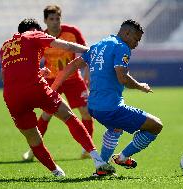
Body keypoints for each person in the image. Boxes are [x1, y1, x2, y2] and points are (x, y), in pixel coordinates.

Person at [0, 18, 115, 177]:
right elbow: (66, 45)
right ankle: (98, 161)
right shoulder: (34, 35)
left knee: (33, 138)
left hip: (11, 96)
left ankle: (56, 172)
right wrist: (90, 51)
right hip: (35, 88)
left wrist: (38, 73)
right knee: (68, 116)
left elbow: (9, 74)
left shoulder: (5, 46)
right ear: (34, 29)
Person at [51, 19, 163, 174]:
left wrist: (54, 87)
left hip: (93, 107)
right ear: (127, 33)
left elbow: (73, 65)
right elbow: (122, 78)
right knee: (155, 126)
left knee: (115, 128)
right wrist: (140, 86)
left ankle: (102, 167)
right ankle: (122, 158)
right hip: (111, 107)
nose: (136, 44)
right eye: (136, 39)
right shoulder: (122, 47)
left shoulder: (98, 45)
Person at [22, 5, 94, 161]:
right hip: (52, 80)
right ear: (45, 20)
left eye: (57, 18)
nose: (55, 22)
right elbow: (33, 61)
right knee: (47, 114)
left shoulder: (72, 32)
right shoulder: (41, 37)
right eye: (51, 19)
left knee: (86, 112)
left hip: (73, 79)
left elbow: (87, 52)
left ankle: (87, 149)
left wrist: (87, 73)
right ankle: (32, 150)